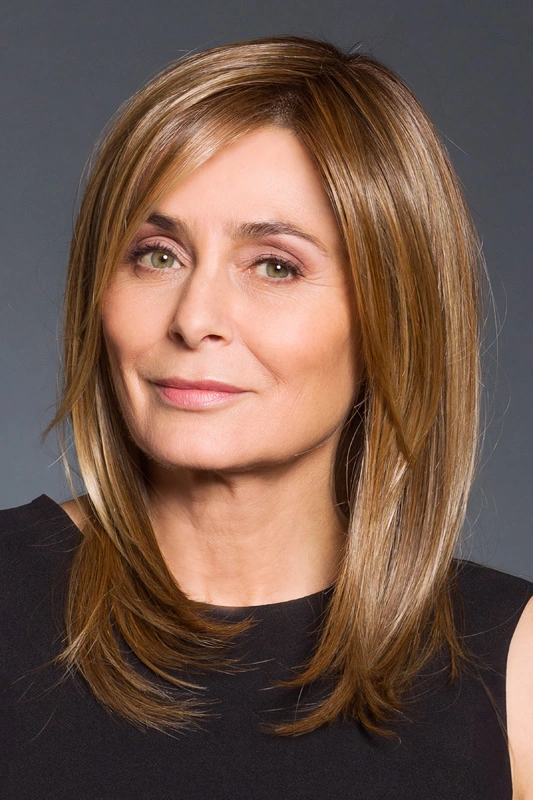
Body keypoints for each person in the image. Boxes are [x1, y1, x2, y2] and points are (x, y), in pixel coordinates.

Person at [0, 36, 531, 799]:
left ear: (394, 318)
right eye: (157, 254)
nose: (194, 318)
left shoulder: (514, 666)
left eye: (275, 265)